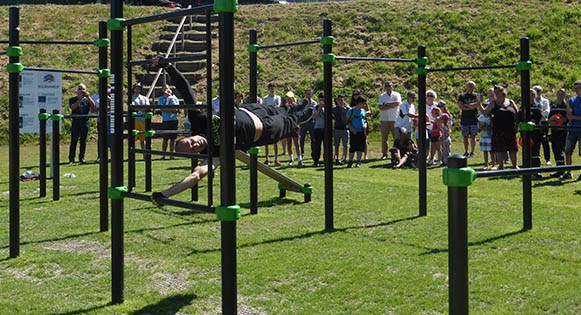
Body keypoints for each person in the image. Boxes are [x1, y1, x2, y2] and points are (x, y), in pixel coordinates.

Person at [148, 57, 315, 204]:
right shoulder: (213, 153)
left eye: (191, 142)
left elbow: (186, 90)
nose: (195, 144)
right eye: (194, 148)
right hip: (264, 129)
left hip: (251, 110)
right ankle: (303, 115)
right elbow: (195, 176)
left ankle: (299, 105)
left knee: (285, 109)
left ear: (190, 136)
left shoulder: (197, 121)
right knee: (291, 120)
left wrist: (168, 66)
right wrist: (165, 194)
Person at [481, 85, 519, 170]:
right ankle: (501, 166)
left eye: (497, 92)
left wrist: (517, 125)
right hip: (498, 130)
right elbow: (485, 112)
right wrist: (478, 104)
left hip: (511, 129)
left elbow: (517, 114)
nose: (496, 94)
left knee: (513, 148)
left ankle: (514, 165)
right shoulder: (493, 103)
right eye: (495, 93)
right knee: (499, 149)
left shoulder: (510, 101)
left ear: (503, 92)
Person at [68, 83, 96, 165]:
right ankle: (71, 159)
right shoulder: (73, 99)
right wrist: (79, 99)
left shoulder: (87, 100)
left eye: (83, 89)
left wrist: (88, 97)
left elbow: (93, 106)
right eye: (80, 89)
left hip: (85, 122)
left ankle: (82, 158)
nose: (81, 91)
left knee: (83, 141)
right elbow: (73, 107)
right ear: (77, 91)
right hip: (76, 122)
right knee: (74, 141)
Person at [560, 80, 581, 180]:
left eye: (578, 88)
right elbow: (568, 116)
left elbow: (573, 116)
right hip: (572, 129)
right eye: (575, 88)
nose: (576, 90)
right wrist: (568, 103)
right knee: (567, 151)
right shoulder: (572, 100)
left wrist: (574, 117)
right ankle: (568, 172)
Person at [377, 81, 401, 160]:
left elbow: (397, 103)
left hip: (395, 119)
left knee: (396, 138)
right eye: (386, 86)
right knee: (384, 138)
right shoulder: (382, 96)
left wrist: (386, 104)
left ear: (392, 86)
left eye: (389, 86)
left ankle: (397, 153)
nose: (388, 87)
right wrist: (391, 105)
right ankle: (384, 154)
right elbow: (380, 107)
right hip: (384, 120)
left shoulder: (396, 94)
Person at [548, 88, 569, 177]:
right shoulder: (554, 106)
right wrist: (552, 120)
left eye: (562, 94)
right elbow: (549, 118)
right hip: (554, 131)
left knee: (561, 150)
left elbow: (567, 118)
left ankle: (563, 170)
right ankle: (558, 169)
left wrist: (559, 120)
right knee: (555, 150)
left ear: (565, 95)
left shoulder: (566, 106)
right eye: (559, 94)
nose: (560, 96)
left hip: (563, 131)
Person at [457, 81, 480, 158]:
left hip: (474, 118)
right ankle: (466, 151)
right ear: (466, 86)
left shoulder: (476, 96)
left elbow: (477, 105)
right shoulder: (462, 96)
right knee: (465, 136)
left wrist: (467, 105)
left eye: (472, 86)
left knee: (473, 136)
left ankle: (472, 152)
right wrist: (470, 106)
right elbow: (461, 106)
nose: (470, 87)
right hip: (465, 118)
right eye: (469, 86)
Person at [158, 84, 180, 159]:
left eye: (167, 88)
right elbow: (162, 109)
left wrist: (172, 110)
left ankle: (171, 154)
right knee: (165, 138)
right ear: (162, 90)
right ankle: (163, 154)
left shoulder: (174, 98)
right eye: (164, 88)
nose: (166, 90)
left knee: (173, 138)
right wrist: (171, 110)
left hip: (174, 120)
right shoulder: (161, 99)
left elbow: (177, 108)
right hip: (166, 120)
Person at [262, 82, 282, 165]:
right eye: (271, 88)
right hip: (267, 119)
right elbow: (263, 108)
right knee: (266, 141)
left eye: (273, 88)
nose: (272, 89)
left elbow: (278, 106)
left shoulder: (277, 97)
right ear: (268, 89)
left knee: (275, 141)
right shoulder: (265, 99)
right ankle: (267, 158)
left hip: (275, 119)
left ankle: (276, 158)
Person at [346, 96, 367, 168]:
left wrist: (365, 125)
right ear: (359, 103)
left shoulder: (363, 111)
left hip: (361, 131)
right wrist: (352, 129)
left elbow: (364, 120)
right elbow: (347, 122)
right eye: (363, 104)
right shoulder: (351, 111)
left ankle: (358, 161)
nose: (364, 105)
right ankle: (350, 161)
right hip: (354, 132)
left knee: (360, 147)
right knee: (353, 147)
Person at [532, 85, 551, 165]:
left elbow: (547, 111)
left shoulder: (545, 101)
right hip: (535, 123)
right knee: (536, 141)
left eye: (538, 91)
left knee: (545, 141)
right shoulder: (532, 102)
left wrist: (539, 114)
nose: (537, 93)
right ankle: (536, 157)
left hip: (543, 122)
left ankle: (547, 159)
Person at [283, 91, 302, 166]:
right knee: (289, 144)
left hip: (295, 127)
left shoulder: (296, 107)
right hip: (288, 127)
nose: (289, 100)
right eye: (288, 98)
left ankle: (300, 159)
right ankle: (291, 159)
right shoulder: (286, 107)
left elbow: (300, 116)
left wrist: (298, 124)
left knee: (297, 143)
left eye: (290, 98)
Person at [299, 88, 317, 161]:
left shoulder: (314, 103)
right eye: (307, 94)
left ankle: (313, 154)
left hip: (311, 122)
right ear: (305, 94)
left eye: (310, 94)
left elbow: (315, 112)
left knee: (313, 139)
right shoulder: (302, 102)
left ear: (312, 94)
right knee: (301, 139)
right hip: (303, 122)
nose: (308, 95)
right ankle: (301, 153)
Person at [131, 82, 150, 150]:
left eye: (139, 88)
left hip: (143, 120)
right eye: (136, 88)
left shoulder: (144, 98)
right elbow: (133, 107)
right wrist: (141, 108)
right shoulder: (131, 98)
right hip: (135, 120)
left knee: (143, 139)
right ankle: (132, 154)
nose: (137, 90)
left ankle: (144, 153)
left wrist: (139, 108)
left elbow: (147, 107)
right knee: (133, 138)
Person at [332, 94, 349, 165]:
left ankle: (344, 158)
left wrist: (346, 106)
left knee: (345, 145)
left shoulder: (347, 109)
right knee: (336, 145)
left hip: (345, 128)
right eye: (339, 100)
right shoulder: (334, 109)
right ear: (337, 101)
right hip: (337, 129)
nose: (340, 101)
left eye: (342, 100)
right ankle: (336, 158)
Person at [311, 93, 326, 167]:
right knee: (317, 145)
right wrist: (319, 108)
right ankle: (316, 160)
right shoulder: (315, 107)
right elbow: (314, 117)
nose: (322, 100)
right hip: (318, 128)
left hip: (326, 129)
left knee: (326, 146)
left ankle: (326, 160)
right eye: (320, 99)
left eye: (323, 98)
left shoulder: (328, 107)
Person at [437, 101, 452, 166]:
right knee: (444, 150)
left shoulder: (446, 116)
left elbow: (448, 132)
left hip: (446, 140)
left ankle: (447, 161)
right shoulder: (443, 125)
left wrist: (443, 138)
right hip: (444, 140)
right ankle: (444, 161)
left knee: (447, 151)